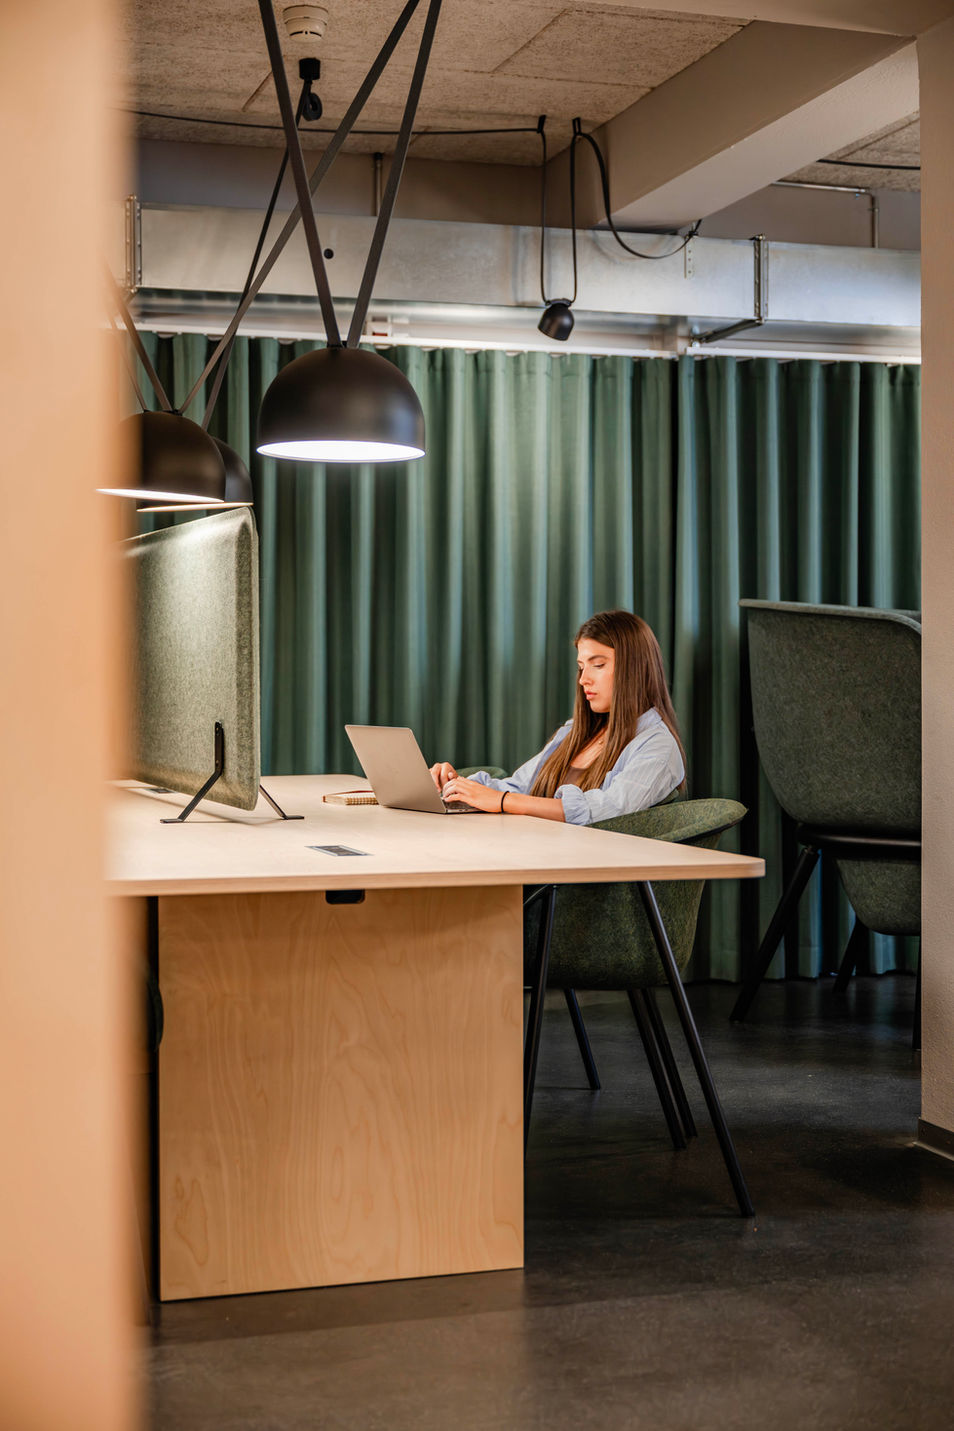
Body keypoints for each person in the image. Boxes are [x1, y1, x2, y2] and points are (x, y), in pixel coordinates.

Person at [430, 609, 686, 824]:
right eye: (581, 667)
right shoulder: (574, 733)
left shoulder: (657, 746)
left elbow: (605, 811)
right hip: (535, 854)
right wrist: (455, 785)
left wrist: (503, 801)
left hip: (581, 877)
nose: (584, 679)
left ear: (635, 668)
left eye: (598, 665)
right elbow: (520, 787)